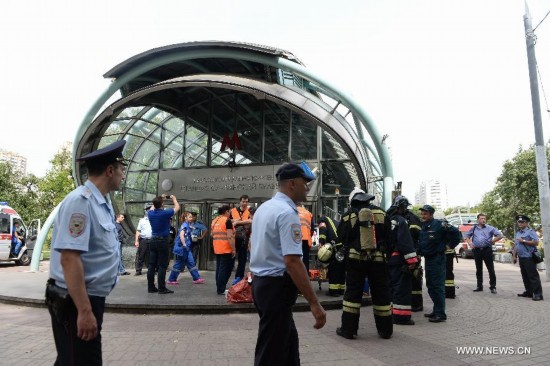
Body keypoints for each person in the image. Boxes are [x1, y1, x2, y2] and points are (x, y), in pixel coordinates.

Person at [45, 140, 127, 364]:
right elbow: (70, 258)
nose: (123, 174)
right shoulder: (81, 202)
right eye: (121, 169)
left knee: (71, 358)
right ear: (109, 170)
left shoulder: (102, 202)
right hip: (75, 300)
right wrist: (84, 310)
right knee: (81, 360)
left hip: (87, 298)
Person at [250, 162, 325, 365]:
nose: (308, 187)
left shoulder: (264, 209)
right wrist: (314, 303)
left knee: (287, 342)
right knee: (271, 351)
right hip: (276, 288)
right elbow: (292, 262)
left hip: (261, 285)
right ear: (292, 183)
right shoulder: (287, 213)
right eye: (305, 183)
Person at [336, 189, 393, 340]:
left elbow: (341, 239)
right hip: (379, 261)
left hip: (356, 261)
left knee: (352, 295)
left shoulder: (348, 215)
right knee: (381, 294)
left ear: (353, 200)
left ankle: (348, 330)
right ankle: (385, 330)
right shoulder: (381, 213)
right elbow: (390, 239)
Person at [386, 196, 419, 326]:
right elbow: (405, 242)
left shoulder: (386, 220)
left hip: (388, 260)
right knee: (402, 288)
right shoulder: (401, 221)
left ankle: (389, 313)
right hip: (399, 260)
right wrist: (412, 261)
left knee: (390, 288)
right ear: (402, 207)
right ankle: (401, 317)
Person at [418, 205, 447, 323]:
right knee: (430, 286)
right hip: (429, 260)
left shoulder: (439, 224)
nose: (423, 216)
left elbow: (456, 233)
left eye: (425, 214)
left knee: (437, 287)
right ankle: (436, 310)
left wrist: (448, 246)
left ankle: (440, 314)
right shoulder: (424, 226)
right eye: (422, 214)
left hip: (437, 260)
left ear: (431, 214)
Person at [147, 194, 180, 294]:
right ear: (162, 204)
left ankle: (151, 287)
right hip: (163, 241)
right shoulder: (165, 213)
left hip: (153, 240)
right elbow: (177, 207)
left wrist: (160, 198)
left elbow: (154, 206)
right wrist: (174, 198)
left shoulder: (150, 213)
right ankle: (162, 288)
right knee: (162, 266)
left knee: (151, 265)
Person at [465, 213, 503, 294]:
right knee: (479, 269)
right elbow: (467, 236)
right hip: (477, 250)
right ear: (478, 219)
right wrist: (470, 243)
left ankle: (493, 287)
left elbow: (500, 235)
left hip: (487, 250)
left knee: (491, 269)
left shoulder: (490, 228)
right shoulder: (474, 228)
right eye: (482, 218)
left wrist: (493, 241)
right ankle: (479, 286)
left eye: (484, 218)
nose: (483, 220)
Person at [167, 212, 205, 285]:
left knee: (191, 262)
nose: (191, 218)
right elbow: (181, 235)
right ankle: (171, 279)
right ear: (185, 218)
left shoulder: (188, 225)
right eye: (190, 217)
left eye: (191, 217)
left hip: (187, 248)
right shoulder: (184, 225)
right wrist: (184, 244)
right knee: (178, 264)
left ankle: (197, 278)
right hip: (182, 248)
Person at [513, 215, 543, 301]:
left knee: (533, 277)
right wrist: (514, 256)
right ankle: (529, 292)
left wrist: (524, 241)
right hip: (521, 257)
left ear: (526, 223)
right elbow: (516, 245)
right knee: (525, 276)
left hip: (529, 257)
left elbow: (536, 242)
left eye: (522, 222)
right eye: (519, 222)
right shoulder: (518, 233)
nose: (520, 223)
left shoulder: (530, 232)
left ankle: (538, 294)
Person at [317, 214, 345, 297]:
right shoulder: (334, 221)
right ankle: (341, 290)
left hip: (334, 246)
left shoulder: (323, 220)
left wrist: (321, 243)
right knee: (341, 269)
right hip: (342, 247)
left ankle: (333, 291)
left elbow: (322, 230)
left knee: (334, 269)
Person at [212, 205, 236, 295]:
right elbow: (230, 236)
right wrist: (233, 249)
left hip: (217, 248)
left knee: (219, 268)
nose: (230, 214)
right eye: (229, 212)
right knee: (224, 269)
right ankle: (221, 289)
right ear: (226, 212)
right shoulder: (227, 221)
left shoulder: (214, 221)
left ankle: (219, 288)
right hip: (226, 248)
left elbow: (212, 234)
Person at [230, 195, 252, 283]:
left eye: (246, 201)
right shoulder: (233, 211)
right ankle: (229, 277)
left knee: (242, 260)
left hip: (244, 238)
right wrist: (235, 220)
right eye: (243, 201)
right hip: (234, 238)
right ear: (240, 202)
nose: (244, 203)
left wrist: (237, 222)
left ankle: (238, 278)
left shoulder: (250, 210)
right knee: (231, 258)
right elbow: (228, 220)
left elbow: (251, 220)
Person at [134, 204, 152, 275]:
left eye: (150, 210)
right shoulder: (142, 220)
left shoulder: (155, 219)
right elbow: (138, 231)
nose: (149, 211)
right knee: (141, 255)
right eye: (148, 210)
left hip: (152, 240)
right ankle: (138, 270)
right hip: (143, 240)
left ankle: (151, 270)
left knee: (151, 256)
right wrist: (136, 241)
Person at [297, 204, 314, 274]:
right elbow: (312, 229)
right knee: (305, 259)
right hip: (306, 239)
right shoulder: (308, 213)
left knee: (295, 258)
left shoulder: (291, 211)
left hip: (295, 238)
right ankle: (305, 275)